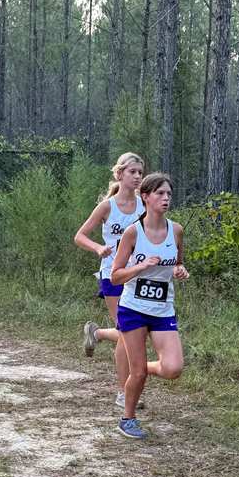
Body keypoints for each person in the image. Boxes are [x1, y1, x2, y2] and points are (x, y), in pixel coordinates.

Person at [109, 172, 189, 440]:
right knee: (138, 372)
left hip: (163, 308)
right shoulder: (133, 232)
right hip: (133, 308)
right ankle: (128, 419)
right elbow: (115, 275)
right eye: (160, 194)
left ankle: (143, 367)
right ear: (145, 197)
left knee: (173, 368)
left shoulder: (176, 230)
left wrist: (180, 270)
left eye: (168, 194)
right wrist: (140, 266)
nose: (166, 198)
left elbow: (177, 261)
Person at [74, 152, 145, 408]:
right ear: (120, 174)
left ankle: (98, 332)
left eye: (140, 172)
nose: (137, 177)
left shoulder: (144, 206)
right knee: (128, 332)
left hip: (138, 275)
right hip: (112, 273)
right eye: (132, 172)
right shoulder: (108, 206)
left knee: (132, 332)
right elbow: (80, 235)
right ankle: (123, 393)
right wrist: (98, 248)